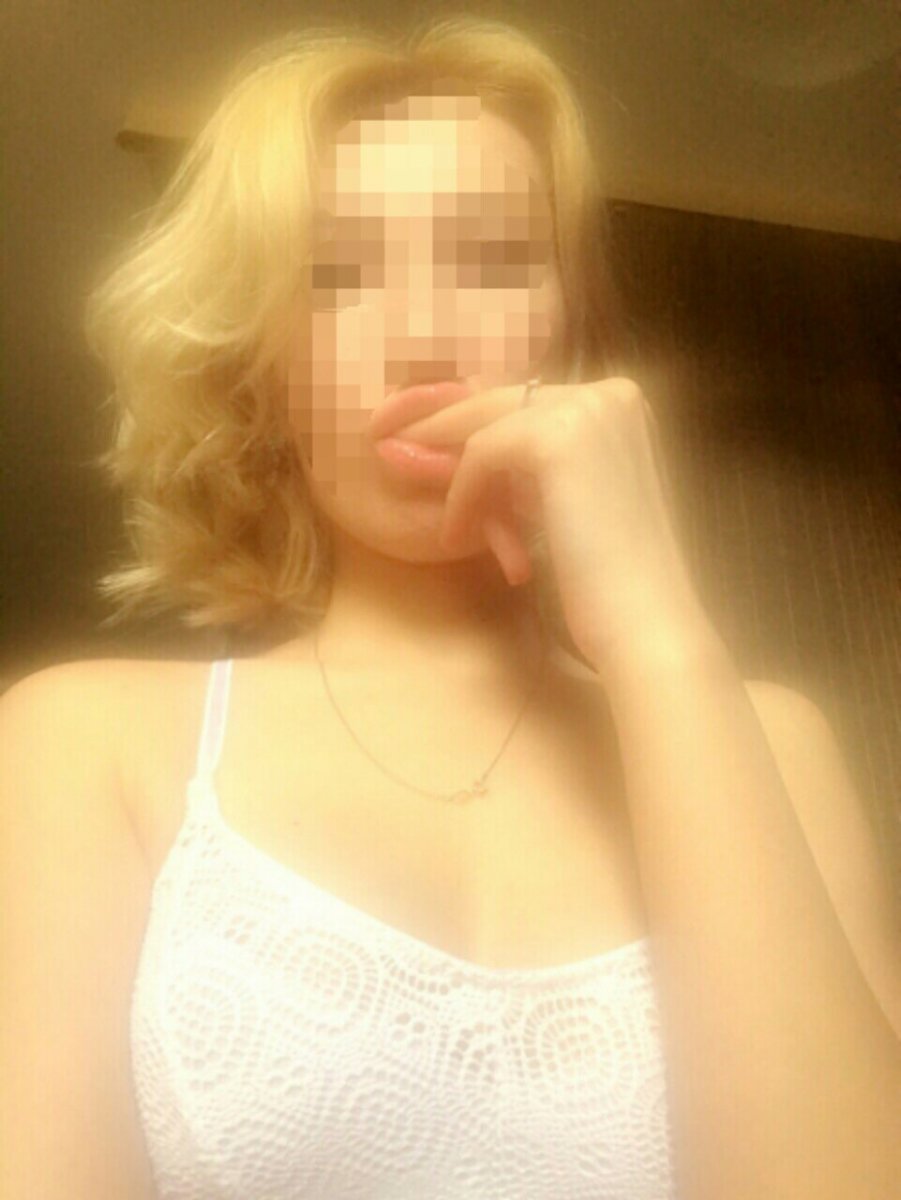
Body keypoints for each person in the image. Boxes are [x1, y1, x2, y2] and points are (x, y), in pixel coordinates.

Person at [4, 16, 899, 1200]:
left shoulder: (775, 749)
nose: (425, 337)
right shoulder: (84, 742)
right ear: (263, 369)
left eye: (492, 261)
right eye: (336, 274)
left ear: (572, 332)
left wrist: (656, 630)